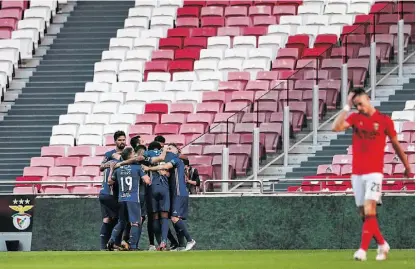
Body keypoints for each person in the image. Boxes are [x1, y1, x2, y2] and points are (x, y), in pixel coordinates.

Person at [331, 88, 412, 261]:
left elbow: (396, 144)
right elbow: (335, 127)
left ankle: (362, 250)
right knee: (364, 214)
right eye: (356, 105)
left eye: (360, 103)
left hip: (375, 172)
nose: (358, 107)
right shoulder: (354, 118)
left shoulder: (384, 121)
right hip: (357, 174)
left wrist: (407, 166)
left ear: (368, 99)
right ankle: (382, 244)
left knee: (369, 209)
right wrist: (346, 107)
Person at [143, 143, 196, 251]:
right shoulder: (174, 161)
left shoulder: (176, 160)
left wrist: (149, 168)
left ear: (177, 151)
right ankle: (180, 245)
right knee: (175, 219)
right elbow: (165, 172)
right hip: (175, 192)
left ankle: (190, 240)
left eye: (170, 148)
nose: (167, 150)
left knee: (174, 218)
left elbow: (165, 167)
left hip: (179, 192)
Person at [107, 147, 151, 251]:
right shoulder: (137, 168)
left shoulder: (118, 169)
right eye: (134, 153)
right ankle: (133, 246)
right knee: (135, 222)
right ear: (130, 156)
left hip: (121, 199)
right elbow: (147, 181)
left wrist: (111, 170)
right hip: (133, 198)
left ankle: (111, 240)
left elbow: (109, 182)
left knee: (122, 222)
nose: (135, 155)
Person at [98, 131, 126, 250]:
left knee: (112, 218)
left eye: (124, 140)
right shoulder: (110, 154)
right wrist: (110, 163)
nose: (122, 142)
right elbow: (101, 166)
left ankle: (112, 245)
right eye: (120, 140)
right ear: (115, 141)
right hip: (109, 191)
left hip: (117, 192)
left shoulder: (127, 154)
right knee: (117, 217)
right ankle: (107, 245)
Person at [149, 162, 171, 251]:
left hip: (153, 188)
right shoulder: (166, 164)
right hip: (163, 188)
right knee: (164, 215)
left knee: (155, 217)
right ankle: (163, 241)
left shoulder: (151, 162)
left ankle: (159, 243)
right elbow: (168, 174)